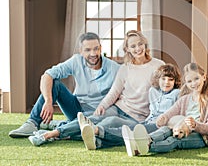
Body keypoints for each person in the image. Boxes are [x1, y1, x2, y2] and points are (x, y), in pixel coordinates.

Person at [28, 30, 164, 146]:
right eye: (133, 46)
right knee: (94, 119)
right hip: (118, 108)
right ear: (127, 49)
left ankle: (60, 129)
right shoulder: (125, 68)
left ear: (145, 44)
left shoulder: (158, 65)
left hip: (138, 116)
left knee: (106, 124)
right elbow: (114, 92)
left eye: (140, 44)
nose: (138, 48)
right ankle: (48, 133)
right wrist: (102, 106)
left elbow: (165, 91)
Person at [9, 32, 120, 138]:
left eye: (96, 49)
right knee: (55, 83)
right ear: (81, 51)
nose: (93, 54)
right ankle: (32, 123)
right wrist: (48, 101)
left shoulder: (114, 68)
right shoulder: (76, 61)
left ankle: (63, 125)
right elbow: (47, 75)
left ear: (100, 48)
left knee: (94, 127)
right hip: (76, 110)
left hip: (99, 114)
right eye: (88, 50)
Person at [122, 62, 208, 155]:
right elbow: (171, 112)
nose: (194, 84)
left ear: (203, 77)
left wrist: (195, 125)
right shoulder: (184, 99)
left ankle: (146, 147)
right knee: (165, 130)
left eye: (196, 79)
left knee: (175, 140)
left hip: (201, 137)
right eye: (189, 81)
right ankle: (142, 141)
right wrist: (163, 118)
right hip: (181, 128)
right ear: (186, 83)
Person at [78, 63, 181, 150]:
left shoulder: (177, 93)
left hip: (160, 126)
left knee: (130, 131)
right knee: (128, 133)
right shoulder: (152, 91)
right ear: (158, 79)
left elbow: (178, 113)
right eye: (163, 79)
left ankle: (97, 130)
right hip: (147, 121)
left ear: (175, 81)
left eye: (170, 79)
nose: (166, 82)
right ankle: (97, 143)